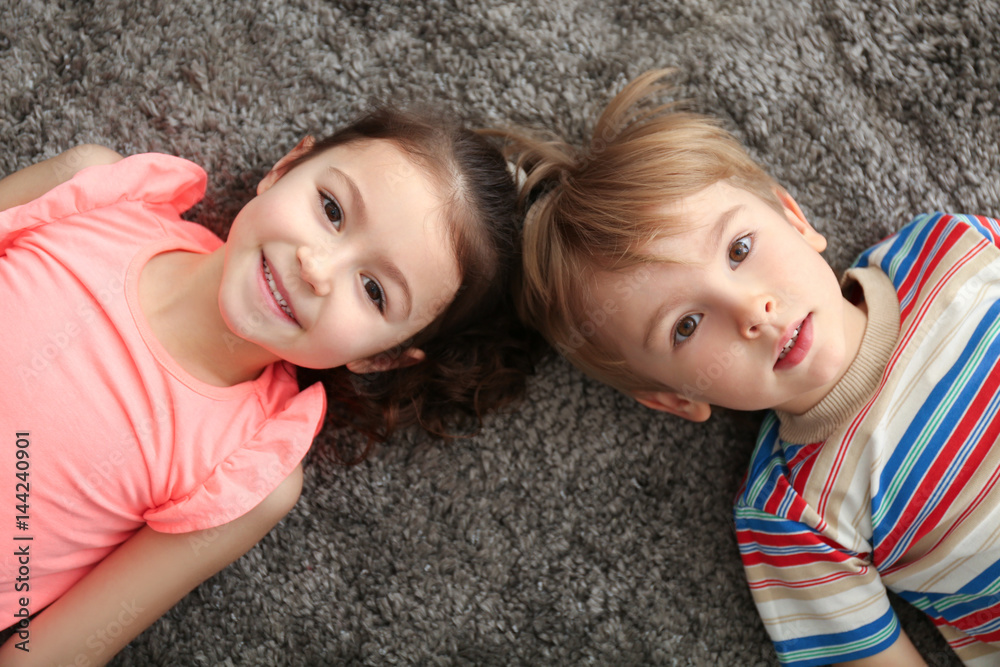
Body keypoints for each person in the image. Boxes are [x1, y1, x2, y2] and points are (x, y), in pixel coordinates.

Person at [498, 69, 1000, 666]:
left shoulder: (949, 250)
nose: (751, 311)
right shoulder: (791, 513)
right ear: (674, 397)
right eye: (685, 325)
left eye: (739, 249)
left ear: (794, 218)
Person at [0, 107, 534, 665]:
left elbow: (49, 651)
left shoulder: (247, 467)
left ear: (383, 358)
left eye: (374, 291)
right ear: (285, 168)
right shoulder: (98, 193)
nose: (317, 269)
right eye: (331, 209)